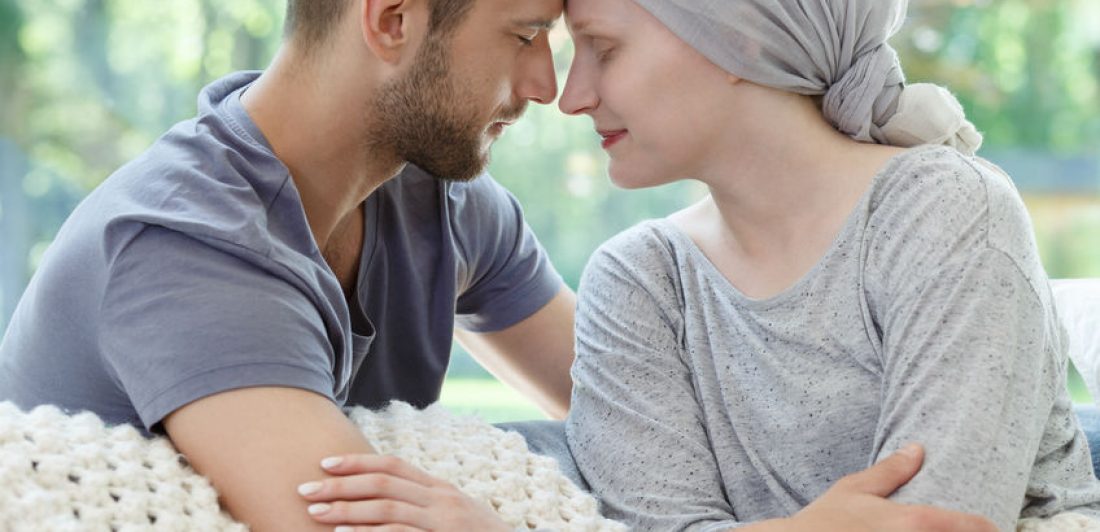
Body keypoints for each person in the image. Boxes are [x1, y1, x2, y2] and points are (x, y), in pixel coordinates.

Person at [0, 0, 574, 529]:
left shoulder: (441, 202)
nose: (547, 87)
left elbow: (632, 412)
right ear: (393, 20)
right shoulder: (185, 244)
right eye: (525, 35)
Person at [549, 0, 1100, 530]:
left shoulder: (944, 209)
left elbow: (944, 520)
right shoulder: (636, 279)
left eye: (604, 47)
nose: (571, 97)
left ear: (743, 33)